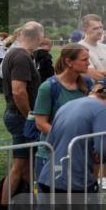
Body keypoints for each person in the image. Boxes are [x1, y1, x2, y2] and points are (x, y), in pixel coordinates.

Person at [37, 76, 106, 194]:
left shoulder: (67, 105)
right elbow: (102, 149)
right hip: (75, 180)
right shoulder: (101, 109)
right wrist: (104, 155)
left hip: (49, 176)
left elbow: (50, 142)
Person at [0, 22, 43, 210]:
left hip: (17, 114)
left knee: (26, 165)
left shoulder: (15, 53)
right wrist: (30, 116)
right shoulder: (21, 55)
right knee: (19, 165)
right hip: (19, 116)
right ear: (38, 37)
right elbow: (18, 90)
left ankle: (22, 205)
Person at [31, 45, 93, 179]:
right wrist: (67, 136)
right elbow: (41, 123)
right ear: (69, 62)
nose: (88, 63)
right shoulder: (49, 87)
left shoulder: (88, 84)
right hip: (53, 154)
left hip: (79, 154)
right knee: (53, 196)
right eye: (84, 59)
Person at [78, 14, 106, 81]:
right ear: (85, 30)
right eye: (95, 28)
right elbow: (93, 75)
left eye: (101, 27)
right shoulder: (79, 48)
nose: (100, 31)